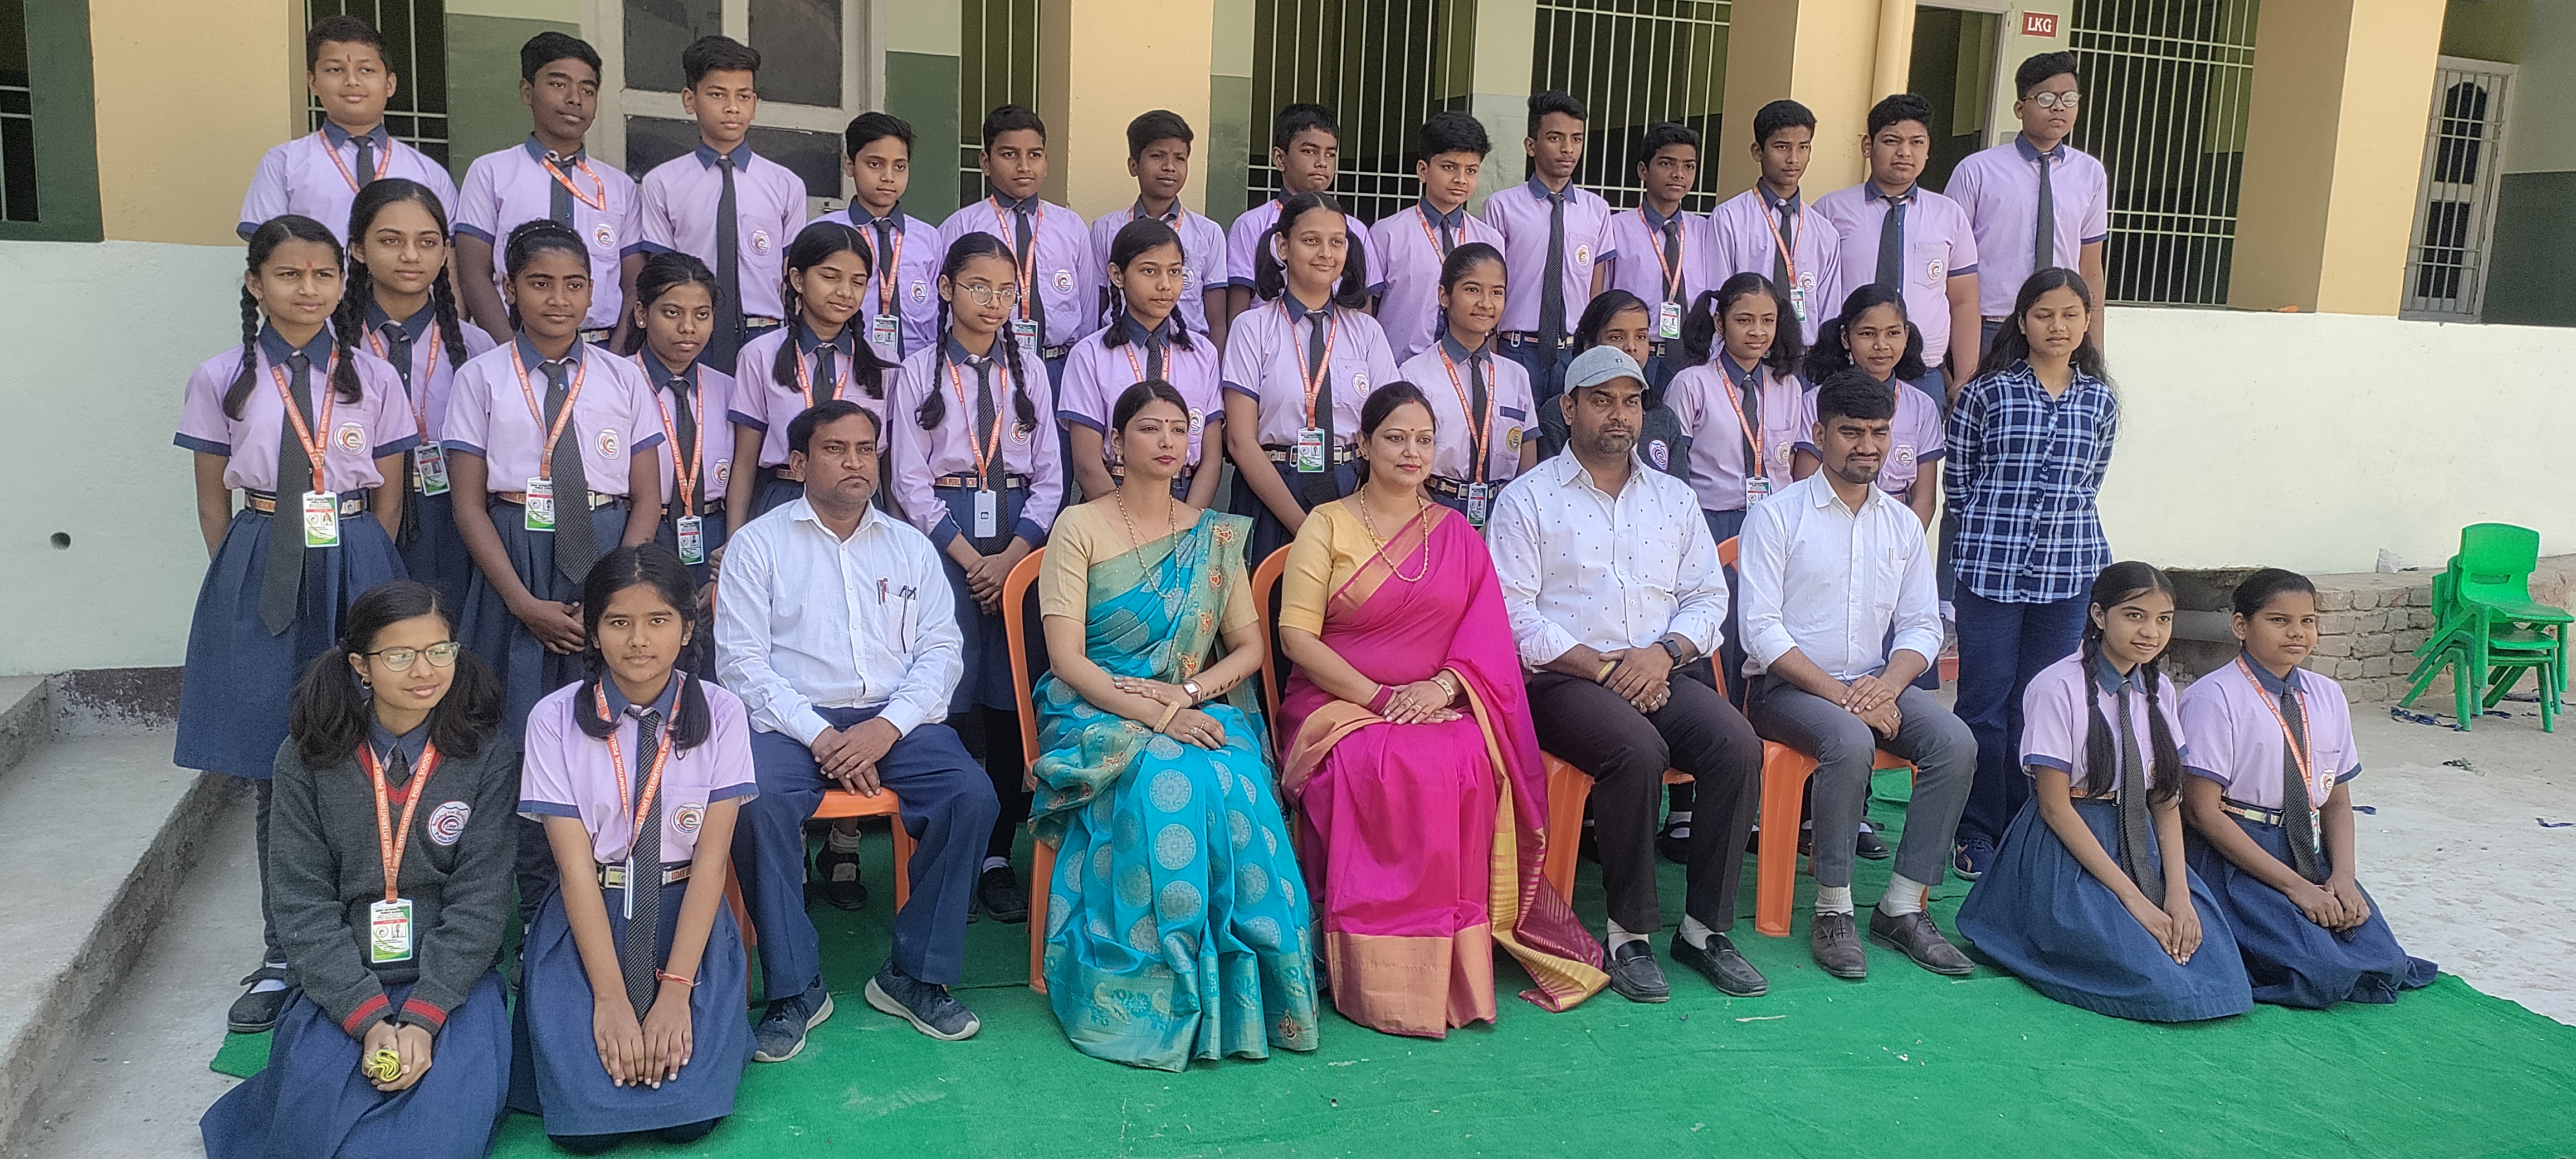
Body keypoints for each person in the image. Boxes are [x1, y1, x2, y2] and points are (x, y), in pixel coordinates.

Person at [1280, 381, 1606, 1036]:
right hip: (1338, 702)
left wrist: (1444, 689)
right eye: (1395, 438)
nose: (1411, 452)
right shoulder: (1327, 524)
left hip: (1434, 701)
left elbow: (1486, 637)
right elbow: (1296, 638)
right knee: (1378, 762)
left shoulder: (1456, 533)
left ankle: (1450, 961)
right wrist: (1377, 697)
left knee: (1460, 756)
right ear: (1363, 444)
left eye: (1424, 440)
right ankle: (1366, 961)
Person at [1027, 381, 1318, 1068]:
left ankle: (1250, 985)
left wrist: (1184, 695)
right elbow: (1067, 660)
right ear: (1115, 442)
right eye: (1150, 428)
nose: (1167, 441)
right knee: (1168, 775)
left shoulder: (1211, 535)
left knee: (1235, 773)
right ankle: (1156, 987)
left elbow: (1248, 648)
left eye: (1179, 429)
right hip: (1092, 705)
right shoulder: (1079, 526)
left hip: (1186, 702)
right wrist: (1161, 715)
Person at [179, 215, 416, 1035]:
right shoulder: (221, 377)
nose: (307, 288)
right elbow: (212, 500)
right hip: (263, 558)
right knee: (276, 763)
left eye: (322, 274)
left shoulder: (371, 376)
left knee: (368, 744)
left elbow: (390, 495)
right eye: (287, 274)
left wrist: (365, 565)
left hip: (355, 554)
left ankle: (370, 934)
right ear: (255, 283)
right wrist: (246, 573)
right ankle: (284, 953)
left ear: (341, 283)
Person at [715, 401, 998, 1056]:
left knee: (970, 795)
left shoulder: (909, 546)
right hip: (790, 724)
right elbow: (741, 665)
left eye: (866, 449)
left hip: (896, 721)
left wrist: (886, 728)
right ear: (797, 463)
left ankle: (914, 975)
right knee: (753, 802)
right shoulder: (758, 545)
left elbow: (941, 651)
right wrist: (819, 735)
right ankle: (794, 988)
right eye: (835, 449)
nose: (854, 462)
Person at [199, 581, 515, 1159]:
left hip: (451, 983)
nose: (424, 670)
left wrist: (423, 1018)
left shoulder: (486, 753)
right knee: (310, 1132)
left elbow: (482, 902)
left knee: (439, 1133)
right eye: (399, 655)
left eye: (439, 650)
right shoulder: (306, 756)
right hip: (342, 979)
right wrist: (369, 1020)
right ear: (360, 666)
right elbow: (302, 906)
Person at [1488, 345, 1765, 1002]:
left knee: (1736, 744)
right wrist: (1605, 666)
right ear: (1568, 408)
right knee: (1636, 750)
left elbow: (1708, 598)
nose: (1619, 414)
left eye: (1631, 401)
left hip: (1659, 668)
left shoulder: (1673, 498)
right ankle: (1628, 933)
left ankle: (1703, 930)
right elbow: (1514, 616)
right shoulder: (1527, 499)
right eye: (1602, 400)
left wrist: (1663, 653)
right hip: (1564, 680)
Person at [1736, 371, 1979, 981]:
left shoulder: (1901, 523)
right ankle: (1833, 908)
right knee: (1848, 739)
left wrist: (1886, 686)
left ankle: (1902, 906)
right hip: (1788, 689)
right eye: (1851, 432)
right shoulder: (1776, 516)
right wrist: (1846, 698)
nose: (1867, 447)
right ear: (1819, 435)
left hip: (1874, 683)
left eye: (1878, 433)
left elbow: (1922, 625)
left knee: (1955, 742)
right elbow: (1760, 632)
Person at [510, 546, 752, 1152]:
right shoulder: (552, 719)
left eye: (658, 620)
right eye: (618, 622)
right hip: (590, 915)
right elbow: (572, 871)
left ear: (687, 628)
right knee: (586, 1128)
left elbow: (711, 866)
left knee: (686, 1120)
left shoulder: (723, 712)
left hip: (684, 917)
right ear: (594, 631)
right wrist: (611, 1000)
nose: (639, 640)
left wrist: (676, 993)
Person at [1954, 562, 2255, 1021]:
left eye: (2163, 619)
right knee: (2155, 980)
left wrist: (2178, 893)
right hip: (2069, 847)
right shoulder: (2057, 687)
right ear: (2099, 615)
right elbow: (2055, 808)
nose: (2151, 632)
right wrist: (2134, 901)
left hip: (2140, 841)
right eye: (2135, 616)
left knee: (2220, 969)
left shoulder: (2161, 690)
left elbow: (2165, 801)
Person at [889, 232, 1065, 925]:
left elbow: (1050, 478)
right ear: (945, 289)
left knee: (1008, 701)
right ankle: (944, 852)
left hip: (1018, 541)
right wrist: (972, 561)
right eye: (977, 287)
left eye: (1005, 290)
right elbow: (908, 481)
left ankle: (995, 855)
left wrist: (1012, 558)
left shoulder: (1031, 373)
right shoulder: (917, 372)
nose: (992, 302)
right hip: (945, 543)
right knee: (948, 699)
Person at [443, 220, 663, 738]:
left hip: (606, 548)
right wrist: (522, 602)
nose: (559, 299)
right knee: (509, 711)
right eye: (540, 283)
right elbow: (468, 504)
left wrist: (614, 595)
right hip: (515, 553)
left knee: (604, 709)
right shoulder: (480, 378)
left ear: (592, 292)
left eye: (574, 284)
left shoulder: (624, 377)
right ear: (510, 288)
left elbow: (648, 498)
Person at [2180, 569, 2438, 1009]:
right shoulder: (2214, 697)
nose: (2297, 633)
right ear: (2241, 625)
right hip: (2237, 854)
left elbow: (2337, 801)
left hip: (2306, 847)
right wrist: (2296, 888)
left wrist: (2343, 878)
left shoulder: (2328, 695)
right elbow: (2202, 813)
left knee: (2386, 962)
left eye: (2308, 621)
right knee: (2321, 971)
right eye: (2279, 621)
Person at [1945, 268, 2118, 879]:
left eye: (2070, 315)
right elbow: (1959, 482)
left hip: (2067, 574)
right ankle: (1974, 829)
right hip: (1989, 571)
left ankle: (2028, 827)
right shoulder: (1986, 394)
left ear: (2086, 323)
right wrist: (1987, 532)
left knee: (2041, 707)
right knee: (1984, 708)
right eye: (2044, 314)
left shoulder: (2099, 401)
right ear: (2021, 322)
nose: (2057, 326)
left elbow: (2090, 483)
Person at [1219, 191, 1401, 567]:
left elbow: (1388, 428)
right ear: (1283, 247)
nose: (1326, 253)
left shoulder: (1367, 332)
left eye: (1337, 242)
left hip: (1353, 493)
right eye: (1311, 241)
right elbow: (1240, 441)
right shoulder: (1252, 328)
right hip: (1273, 492)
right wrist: (1306, 530)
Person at [341, 179, 496, 614]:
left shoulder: (477, 348)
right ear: (357, 249)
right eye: (391, 241)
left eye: (427, 243)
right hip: (357, 518)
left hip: (451, 518)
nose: (411, 256)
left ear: (446, 252)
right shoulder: (335, 345)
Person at [453, 32, 641, 350]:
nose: (575, 99)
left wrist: (617, 357)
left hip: (599, 348)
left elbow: (633, 284)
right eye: (558, 84)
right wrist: (512, 352)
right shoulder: (492, 172)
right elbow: (473, 274)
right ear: (527, 91)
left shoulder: (618, 186)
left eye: (588, 90)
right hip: (512, 345)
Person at [636, 35, 807, 371]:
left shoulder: (786, 185)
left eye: (743, 96)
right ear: (690, 100)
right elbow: (661, 275)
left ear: (754, 104)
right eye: (718, 95)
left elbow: (794, 277)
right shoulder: (663, 183)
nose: (732, 107)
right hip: (692, 337)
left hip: (765, 335)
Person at [1812, 94, 1979, 406]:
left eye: (1917, 142)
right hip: (1844, 369)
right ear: (1867, 146)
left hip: (1923, 374)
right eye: (1891, 141)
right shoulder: (1830, 211)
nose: (1905, 152)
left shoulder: (1949, 215)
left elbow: (1964, 301)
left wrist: (1964, 378)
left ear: (1928, 150)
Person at [239, 16, 457, 245]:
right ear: (313, 82)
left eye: (366, 70)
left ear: (390, 84)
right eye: (335, 70)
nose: (352, 81)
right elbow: (266, 250)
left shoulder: (429, 173)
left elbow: (447, 255)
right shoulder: (283, 163)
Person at [1945, 52, 2110, 352]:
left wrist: (2095, 348)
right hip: (1992, 326)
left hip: (2060, 328)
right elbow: (1950, 260)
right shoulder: (1977, 171)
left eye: (2069, 98)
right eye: (2046, 98)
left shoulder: (2090, 173)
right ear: (2020, 108)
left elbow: (2090, 268)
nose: (2059, 107)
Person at [726, 220, 887, 520]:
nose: (845, 292)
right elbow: (745, 461)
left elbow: (888, 463)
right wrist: (735, 534)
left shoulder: (882, 363)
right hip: (785, 496)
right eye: (830, 277)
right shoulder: (760, 355)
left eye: (858, 282)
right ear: (798, 279)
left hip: (858, 504)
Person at [1058, 218, 1223, 508]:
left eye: (1175, 272)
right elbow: (1087, 464)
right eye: (1150, 271)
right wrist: (1128, 524)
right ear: (1117, 275)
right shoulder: (1090, 355)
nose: (1165, 285)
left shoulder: (1202, 354)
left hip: (1185, 499)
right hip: (1111, 501)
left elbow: (1211, 460)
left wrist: (1189, 522)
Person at [626, 253, 732, 684]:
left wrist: (727, 563)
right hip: (644, 531)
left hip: (713, 534)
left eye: (701, 315)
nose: (688, 327)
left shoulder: (728, 388)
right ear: (641, 314)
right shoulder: (616, 382)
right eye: (672, 313)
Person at [939, 104, 1095, 386]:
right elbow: (945, 307)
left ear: (1046, 162)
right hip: (986, 366)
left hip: (1059, 367)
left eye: (1034, 155)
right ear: (986, 162)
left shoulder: (1071, 227)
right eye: (1009, 154)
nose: (1024, 166)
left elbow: (1088, 308)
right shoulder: (962, 226)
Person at [1481, 90, 1616, 407]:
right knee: (1513, 432)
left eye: (1577, 139)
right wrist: (1490, 342)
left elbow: (1595, 289)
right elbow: (1489, 281)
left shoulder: (1597, 210)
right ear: (1531, 145)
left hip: (1574, 352)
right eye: (1555, 138)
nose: (1568, 149)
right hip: (1516, 349)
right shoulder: (1502, 207)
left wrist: (1592, 348)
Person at [1396, 243, 1537, 528]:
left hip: (1504, 511)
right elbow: (1404, 460)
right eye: (1472, 290)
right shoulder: (1414, 375)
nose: (1486, 303)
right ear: (1444, 296)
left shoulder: (1516, 376)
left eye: (1497, 292)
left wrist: (1507, 519)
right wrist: (1439, 520)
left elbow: (1527, 463)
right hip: (1432, 505)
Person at [1222, 104, 1384, 330]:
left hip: (1336, 343)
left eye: (1331, 154)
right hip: (1268, 343)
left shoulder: (1356, 229)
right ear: (1280, 159)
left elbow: (1363, 308)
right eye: (1310, 151)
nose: (1322, 162)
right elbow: (1238, 311)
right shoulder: (1251, 225)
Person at [1795, 284, 1943, 530]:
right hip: (1830, 523)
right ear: (1846, 338)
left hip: (1896, 529)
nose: (1881, 345)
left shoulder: (1923, 407)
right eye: (1867, 334)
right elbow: (1805, 482)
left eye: (1893, 333)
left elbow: (1924, 500)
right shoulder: (1816, 401)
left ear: (1907, 335)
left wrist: (1906, 545)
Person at [1086, 110, 1231, 349]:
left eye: (1180, 158)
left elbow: (1216, 321)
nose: (1170, 167)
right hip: (1120, 352)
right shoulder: (1106, 230)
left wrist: (1213, 365)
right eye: (1157, 156)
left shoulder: (1208, 233)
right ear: (1134, 165)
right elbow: (1096, 307)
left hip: (1187, 354)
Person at [1370, 110, 1506, 362]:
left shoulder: (1489, 241)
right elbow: (1370, 309)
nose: (1460, 179)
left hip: (1465, 369)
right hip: (1399, 367)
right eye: (1449, 167)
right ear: (1423, 170)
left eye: (1471, 170)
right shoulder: (1388, 233)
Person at [813, 112, 943, 367]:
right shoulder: (826, 231)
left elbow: (939, 310)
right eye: (875, 164)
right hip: (847, 365)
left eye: (900, 167)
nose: (888, 177)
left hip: (916, 367)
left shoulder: (928, 238)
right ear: (850, 165)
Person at [1706, 99, 1840, 346]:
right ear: (1758, 151)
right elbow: (1718, 294)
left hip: (1804, 355)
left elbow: (1829, 309)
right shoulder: (1729, 219)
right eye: (1782, 147)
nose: (1793, 159)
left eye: (1803, 147)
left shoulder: (1824, 231)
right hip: (1747, 351)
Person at [1602, 121, 1712, 389]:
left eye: (1689, 166)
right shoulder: (1616, 229)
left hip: (1693, 358)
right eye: (1666, 164)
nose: (1678, 174)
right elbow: (1603, 296)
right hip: (1637, 355)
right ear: (1643, 170)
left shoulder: (1705, 231)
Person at [1531, 289, 1688, 474]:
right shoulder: (1558, 414)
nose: (1631, 347)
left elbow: (1677, 488)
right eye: (1617, 337)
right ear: (1589, 345)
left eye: (1641, 337)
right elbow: (1549, 482)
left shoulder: (1664, 418)